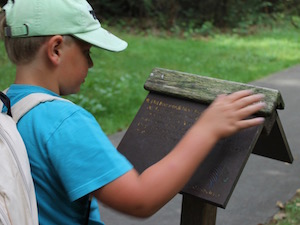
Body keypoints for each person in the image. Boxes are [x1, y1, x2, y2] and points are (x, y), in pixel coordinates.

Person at [0, 0, 266, 224]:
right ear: (56, 49)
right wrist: (207, 129)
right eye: (87, 51)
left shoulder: (6, 107)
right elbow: (140, 199)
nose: (91, 64)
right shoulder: (64, 122)